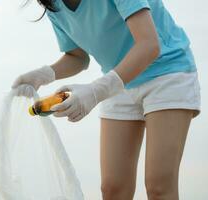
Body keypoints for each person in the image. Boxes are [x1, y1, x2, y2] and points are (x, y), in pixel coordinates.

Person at [11, 0, 201, 199]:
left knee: (159, 185)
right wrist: (45, 74)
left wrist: (95, 91)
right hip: (119, 80)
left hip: (166, 71)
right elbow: (78, 56)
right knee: (113, 189)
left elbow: (149, 45)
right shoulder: (54, 5)